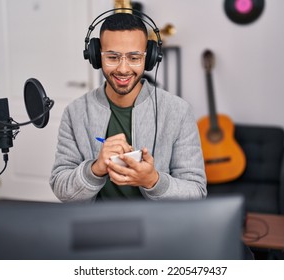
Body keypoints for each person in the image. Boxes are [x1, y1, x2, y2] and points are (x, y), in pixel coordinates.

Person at [49, 11, 207, 202]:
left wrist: (153, 181)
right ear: (96, 57)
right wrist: (95, 169)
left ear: (149, 59)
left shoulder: (179, 111)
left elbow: (196, 192)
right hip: (97, 227)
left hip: (157, 229)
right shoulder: (75, 112)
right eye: (113, 57)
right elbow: (61, 187)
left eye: (134, 58)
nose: (123, 69)